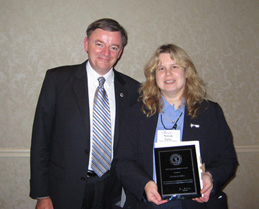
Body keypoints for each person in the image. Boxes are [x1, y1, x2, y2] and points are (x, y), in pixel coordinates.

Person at [29, 18, 140, 209]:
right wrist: (42, 194)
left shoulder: (133, 89)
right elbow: (41, 140)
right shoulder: (58, 80)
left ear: (120, 52)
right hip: (64, 190)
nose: (106, 53)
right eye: (99, 44)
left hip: (112, 190)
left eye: (114, 47)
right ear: (86, 44)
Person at [115, 44, 238, 209]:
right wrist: (144, 184)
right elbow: (123, 161)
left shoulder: (210, 112)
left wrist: (210, 176)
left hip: (196, 204)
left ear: (186, 72)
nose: (168, 74)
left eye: (174, 67)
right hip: (149, 204)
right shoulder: (136, 114)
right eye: (161, 68)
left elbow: (227, 159)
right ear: (154, 76)